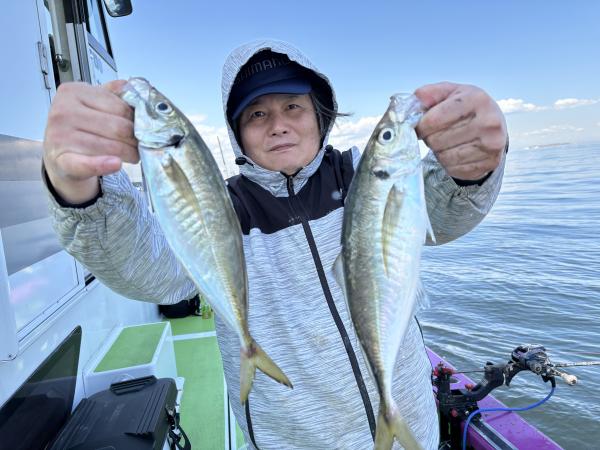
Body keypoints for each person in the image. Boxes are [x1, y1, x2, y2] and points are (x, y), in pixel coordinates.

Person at [42, 39, 508, 449]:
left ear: (320, 114)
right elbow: (151, 273)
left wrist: (473, 166)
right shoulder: (222, 210)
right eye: (257, 114)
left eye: (293, 106)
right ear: (237, 132)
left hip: (413, 430)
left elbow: (444, 214)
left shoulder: (363, 178)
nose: (278, 125)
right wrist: (79, 190)